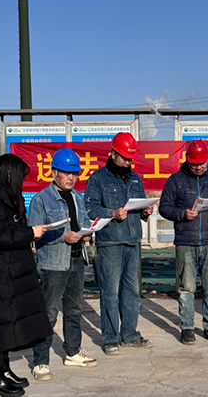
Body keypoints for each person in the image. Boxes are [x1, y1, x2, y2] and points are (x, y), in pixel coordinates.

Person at [0, 153, 52, 397]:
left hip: (6, 271)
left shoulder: (3, 197)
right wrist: (30, 233)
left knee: (6, 325)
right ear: (9, 175)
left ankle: (3, 371)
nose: (22, 182)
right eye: (19, 177)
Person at [28, 148, 98, 382]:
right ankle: (40, 361)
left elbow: (85, 221)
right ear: (54, 172)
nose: (71, 177)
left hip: (76, 260)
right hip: (53, 264)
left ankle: (73, 352)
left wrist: (87, 233)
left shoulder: (77, 197)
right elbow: (35, 233)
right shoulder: (41, 200)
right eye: (67, 173)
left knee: (74, 309)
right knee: (48, 313)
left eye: (75, 173)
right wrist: (62, 237)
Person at [84, 132, 154, 355]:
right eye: (124, 157)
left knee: (132, 292)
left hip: (133, 243)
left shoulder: (135, 178)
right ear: (113, 153)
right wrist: (111, 213)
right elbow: (90, 208)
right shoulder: (98, 179)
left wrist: (145, 211)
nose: (128, 162)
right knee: (110, 293)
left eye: (130, 158)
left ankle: (130, 334)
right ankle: (110, 338)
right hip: (110, 243)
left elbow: (138, 206)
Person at [159, 140, 208, 345]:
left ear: (207, 160)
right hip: (185, 242)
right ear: (187, 160)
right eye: (194, 164)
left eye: (202, 163)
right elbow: (164, 207)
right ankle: (187, 327)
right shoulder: (176, 180)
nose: (198, 167)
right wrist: (181, 214)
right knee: (186, 288)